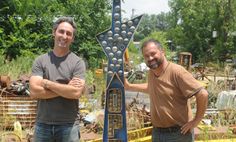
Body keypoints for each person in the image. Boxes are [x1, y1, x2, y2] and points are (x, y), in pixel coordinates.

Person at [124, 39, 208, 142]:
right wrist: (129, 86)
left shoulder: (177, 72)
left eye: (153, 53)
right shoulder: (152, 72)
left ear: (162, 52)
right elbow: (152, 87)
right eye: (146, 56)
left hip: (178, 134)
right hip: (157, 133)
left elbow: (202, 94)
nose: (150, 58)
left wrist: (196, 121)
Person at [29, 16, 86, 142]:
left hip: (69, 125)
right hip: (42, 124)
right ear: (54, 32)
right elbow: (34, 92)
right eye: (61, 31)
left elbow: (76, 93)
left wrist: (46, 83)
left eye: (69, 34)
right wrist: (66, 89)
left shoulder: (78, 63)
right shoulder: (40, 61)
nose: (64, 36)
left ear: (73, 38)